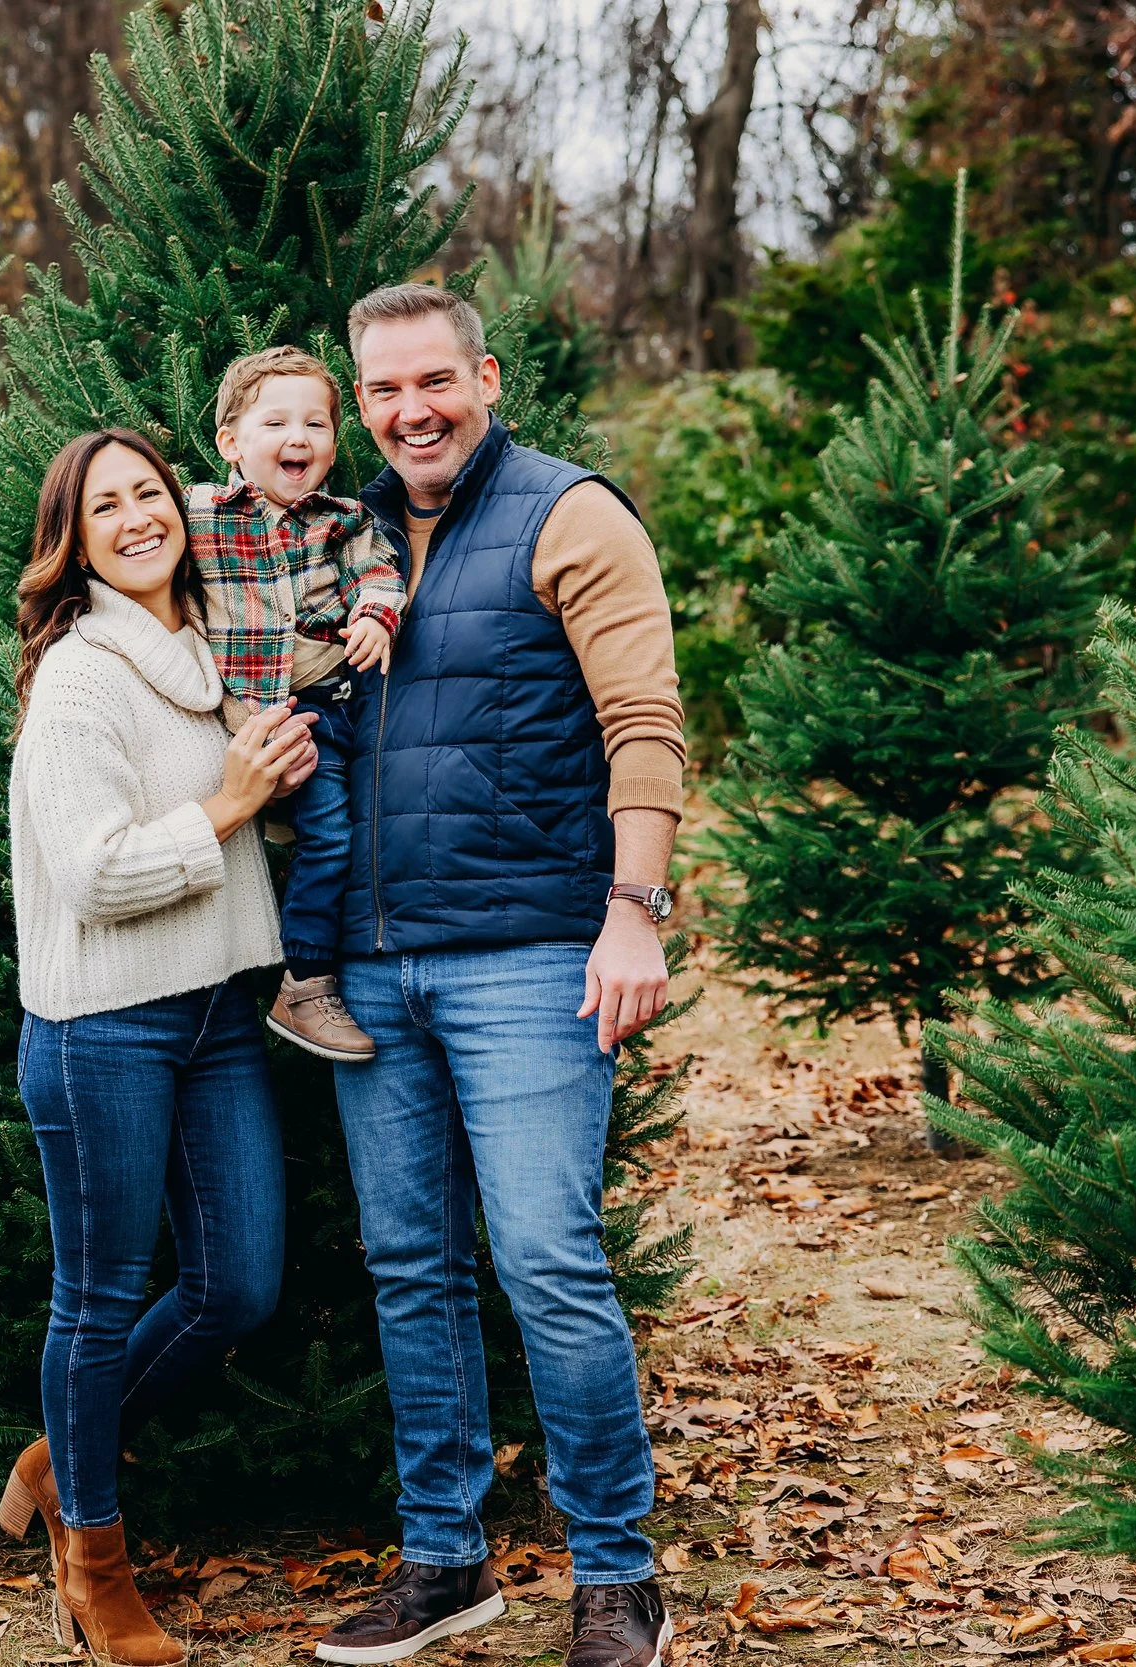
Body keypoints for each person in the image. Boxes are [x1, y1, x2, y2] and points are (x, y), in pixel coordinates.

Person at [310, 286, 688, 1667]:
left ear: (486, 375)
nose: (413, 409)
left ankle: (617, 1576)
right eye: (385, 389)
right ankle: (445, 1559)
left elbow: (644, 725)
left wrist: (633, 910)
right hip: (372, 969)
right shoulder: (340, 542)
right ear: (359, 401)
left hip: (530, 958)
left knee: (543, 1255)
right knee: (411, 1264)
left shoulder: (567, 514)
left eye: (435, 380)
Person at [0, 428, 319, 1667]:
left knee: (238, 1282)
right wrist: (230, 802)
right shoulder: (81, 677)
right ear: (71, 543)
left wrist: (272, 798)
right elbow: (90, 873)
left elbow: (241, 818)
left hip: (217, 1011)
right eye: (103, 508)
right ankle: (91, 1561)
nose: (136, 519)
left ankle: (57, 1450)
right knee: (97, 1299)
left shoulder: (214, 652)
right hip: (103, 1031)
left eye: (149, 494)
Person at [188, 345, 405, 1063]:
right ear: (230, 442)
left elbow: (379, 571)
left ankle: (303, 982)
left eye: (316, 424)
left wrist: (376, 614)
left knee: (336, 837)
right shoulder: (200, 515)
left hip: (326, 708)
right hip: (250, 715)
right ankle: (306, 978)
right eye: (276, 421)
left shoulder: (341, 520)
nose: (299, 438)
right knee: (319, 837)